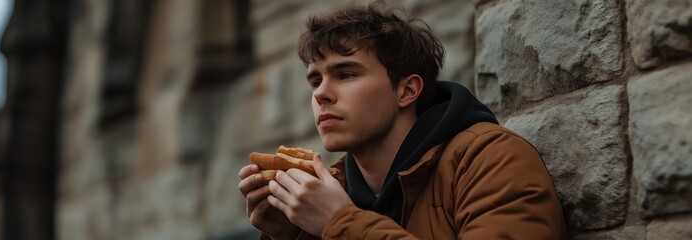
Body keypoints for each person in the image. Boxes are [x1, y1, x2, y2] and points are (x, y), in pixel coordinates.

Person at [238, 1, 568, 239]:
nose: (321, 93)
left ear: (407, 90)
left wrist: (339, 223)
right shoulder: (330, 190)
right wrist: (292, 236)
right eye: (315, 81)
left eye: (346, 74)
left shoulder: (491, 160)